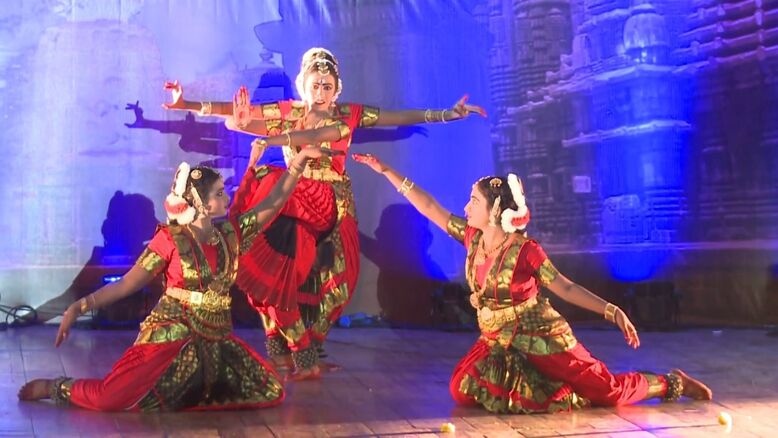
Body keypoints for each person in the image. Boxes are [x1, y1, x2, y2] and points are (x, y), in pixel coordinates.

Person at [163, 47, 486, 380]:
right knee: (279, 271)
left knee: (339, 285)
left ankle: (309, 350)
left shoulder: (347, 115)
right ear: (304, 84)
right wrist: (185, 104)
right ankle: (290, 354)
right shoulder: (289, 111)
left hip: (334, 203)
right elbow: (234, 111)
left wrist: (447, 114)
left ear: (337, 88)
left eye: (327, 86)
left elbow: (397, 116)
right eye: (315, 85)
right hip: (293, 198)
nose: (320, 92)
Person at [352, 152, 713, 414]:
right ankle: (555, 389)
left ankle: (670, 382)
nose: (465, 207)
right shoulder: (473, 238)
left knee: (609, 392)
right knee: (461, 389)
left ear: (495, 211)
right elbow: (430, 207)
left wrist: (610, 309)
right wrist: (386, 171)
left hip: (540, 335)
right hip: (497, 339)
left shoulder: (526, 251)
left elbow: (565, 288)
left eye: (473, 201)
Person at [17, 145, 334, 411]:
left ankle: (190, 391)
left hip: (215, 339)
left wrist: (297, 164)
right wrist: (79, 307)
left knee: (270, 393)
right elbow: (128, 283)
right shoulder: (170, 239)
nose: (227, 198)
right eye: (220, 194)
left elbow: (274, 203)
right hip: (172, 334)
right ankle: (56, 387)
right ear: (202, 204)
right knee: (110, 398)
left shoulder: (230, 233)